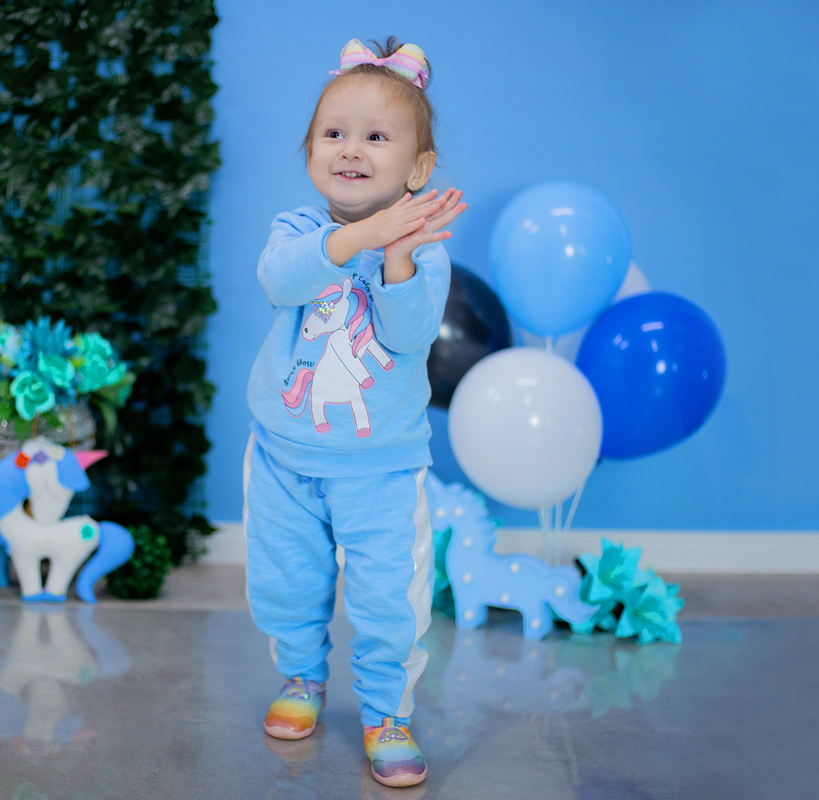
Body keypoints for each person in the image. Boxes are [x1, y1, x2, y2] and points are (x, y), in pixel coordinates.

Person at [243, 37, 466, 788]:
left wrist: (395, 252)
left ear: (418, 168)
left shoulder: (424, 253)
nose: (350, 149)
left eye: (376, 136)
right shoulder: (296, 231)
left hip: (380, 470)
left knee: (387, 599)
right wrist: (364, 236)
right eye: (334, 133)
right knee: (287, 581)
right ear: (310, 151)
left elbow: (407, 337)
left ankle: (386, 713)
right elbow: (282, 282)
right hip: (284, 457)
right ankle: (301, 676)